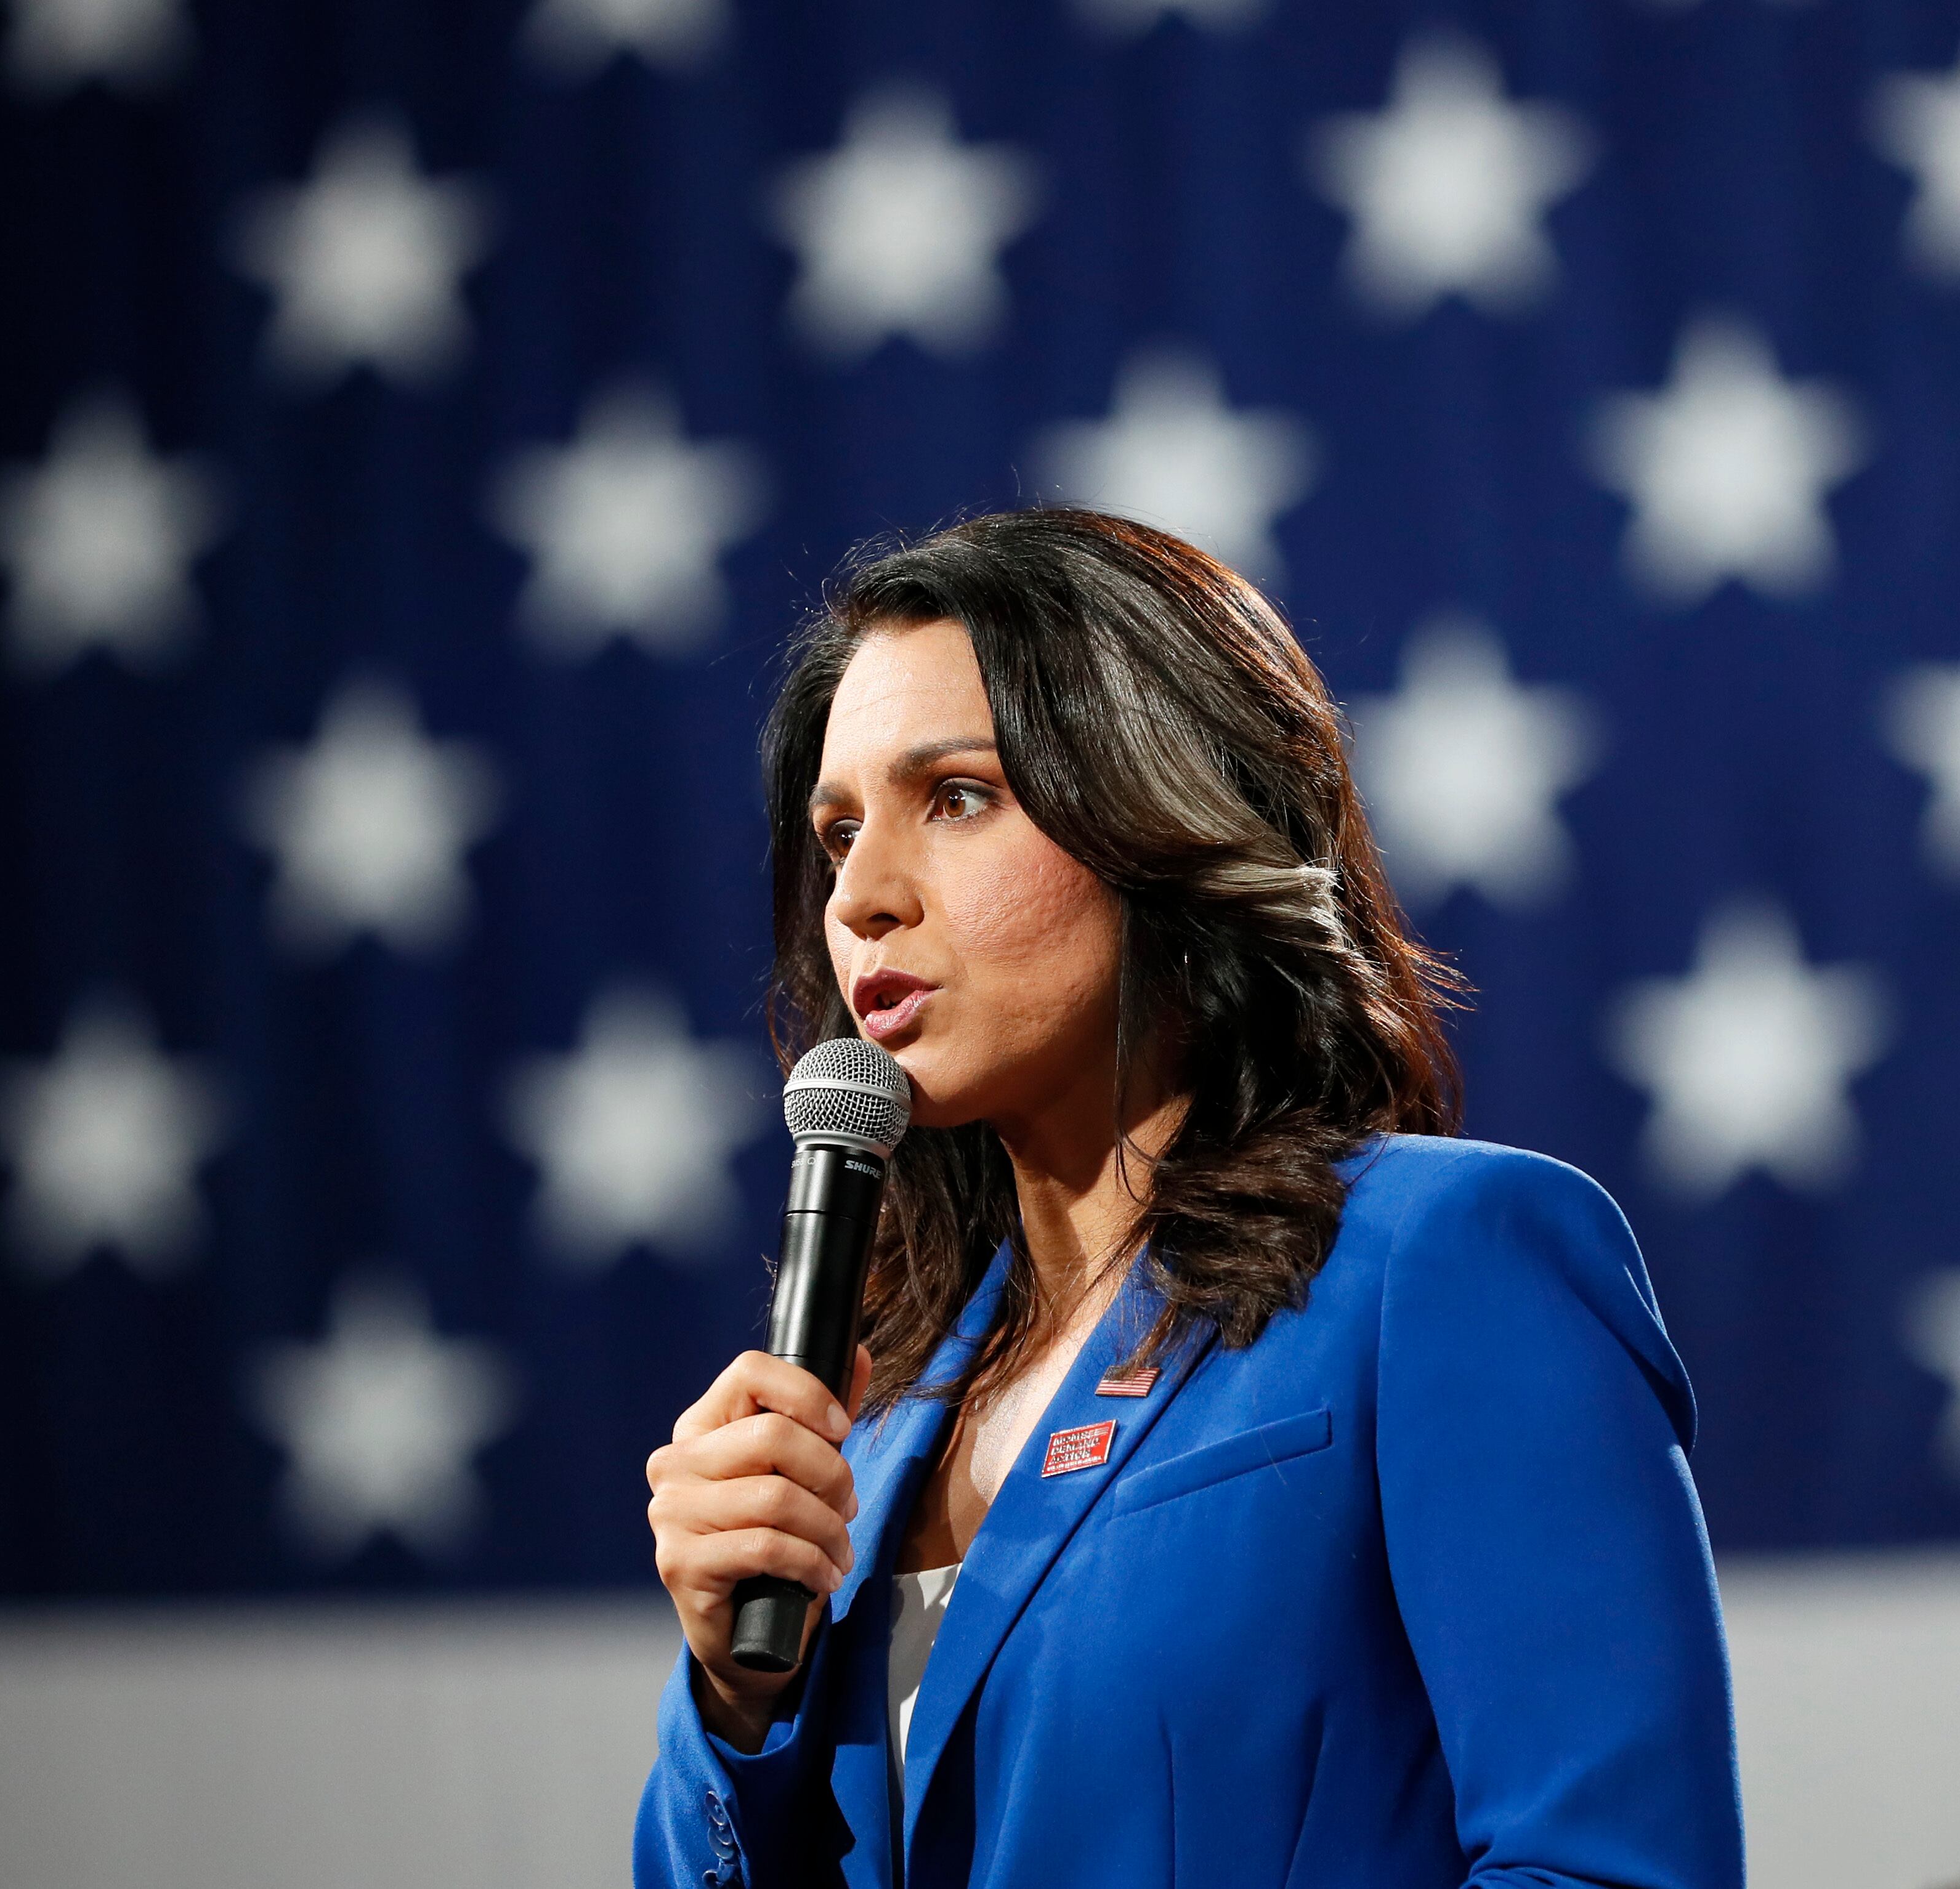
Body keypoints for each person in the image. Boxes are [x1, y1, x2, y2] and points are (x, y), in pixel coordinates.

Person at [636, 509, 1744, 1889]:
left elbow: (1610, 1870)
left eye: (958, 796)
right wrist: (733, 1707)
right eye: (836, 829)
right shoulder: (860, 1434)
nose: (857, 896)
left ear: (1156, 809)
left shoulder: (1440, 1260)